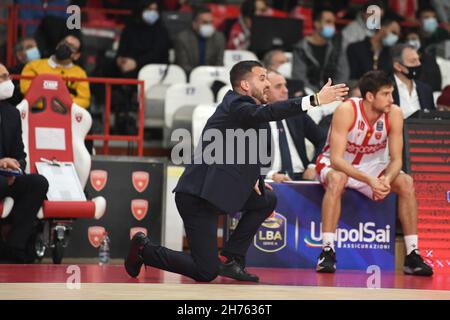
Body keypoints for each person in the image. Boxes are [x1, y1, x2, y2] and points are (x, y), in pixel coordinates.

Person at [124, 60, 348, 282]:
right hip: (198, 197)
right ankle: (145, 250)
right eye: (262, 78)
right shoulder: (236, 104)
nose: (268, 84)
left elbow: (256, 155)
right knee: (206, 272)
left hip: (220, 192)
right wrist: (315, 100)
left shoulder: (253, 113)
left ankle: (231, 259)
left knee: (266, 199)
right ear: (245, 85)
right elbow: (264, 114)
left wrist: (257, 180)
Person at [315, 70, 433, 276]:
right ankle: (327, 251)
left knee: (406, 182)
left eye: (391, 93)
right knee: (337, 179)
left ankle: (412, 254)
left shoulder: (394, 113)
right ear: (370, 96)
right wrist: (371, 181)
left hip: (373, 166)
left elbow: (397, 159)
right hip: (338, 164)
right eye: (386, 94)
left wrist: (385, 180)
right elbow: (336, 159)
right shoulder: (347, 110)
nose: (391, 99)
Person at [0, 63, 49, 263]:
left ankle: (15, 246)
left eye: (7, 76)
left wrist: (16, 167)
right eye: (3, 77)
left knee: (38, 183)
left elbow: (20, 154)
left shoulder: (12, 114)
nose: (8, 82)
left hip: (7, 178)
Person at [265, 70, 326, 182]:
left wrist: (313, 166)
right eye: (278, 86)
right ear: (264, 91)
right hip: (270, 179)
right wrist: (270, 174)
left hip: (301, 176)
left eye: (285, 85)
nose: (285, 90)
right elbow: (244, 156)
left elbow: (323, 140)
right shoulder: (254, 116)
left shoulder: (297, 114)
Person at [20, 34, 91, 109]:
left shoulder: (80, 73)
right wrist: (50, 104)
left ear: (76, 55)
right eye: (64, 42)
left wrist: (65, 105)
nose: (65, 46)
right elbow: (26, 91)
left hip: (66, 114)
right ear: (58, 45)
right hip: (37, 112)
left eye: (71, 46)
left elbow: (84, 100)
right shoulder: (33, 66)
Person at [292, 6, 347, 92]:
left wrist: (334, 91)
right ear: (316, 23)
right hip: (309, 96)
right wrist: (318, 95)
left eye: (333, 23)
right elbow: (299, 77)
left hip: (334, 95)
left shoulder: (337, 47)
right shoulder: (301, 49)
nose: (332, 26)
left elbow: (343, 73)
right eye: (328, 22)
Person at [115, 0, 170, 78]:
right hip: (127, 65)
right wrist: (119, 59)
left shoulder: (161, 31)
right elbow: (122, 49)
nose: (153, 13)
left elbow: (157, 54)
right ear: (141, 10)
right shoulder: (129, 28)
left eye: (155, 10)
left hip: (152, 68)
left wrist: (136, 63)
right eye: (149, 9)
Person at [174, 5, 226, 75]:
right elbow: (184, 66)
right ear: (194, 24)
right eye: (205, 22)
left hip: (212, 77)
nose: (209, 25)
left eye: (211, 22)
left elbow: (219, 65)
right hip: (189, 78)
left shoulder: (219, 38)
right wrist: (200, 76)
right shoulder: (182, 38)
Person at [391, 43, 435, 119]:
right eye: (413, 61)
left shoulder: (426, 90)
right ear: (398, 66)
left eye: (418, 59)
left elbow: (431, 119)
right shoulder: (385, 88)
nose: (419, 64)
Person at [8, 37, 41, 106]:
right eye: (30, 47)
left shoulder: (45, 69)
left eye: (36, 47)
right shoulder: (12, 73)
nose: (35, 49)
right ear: (19, 55)